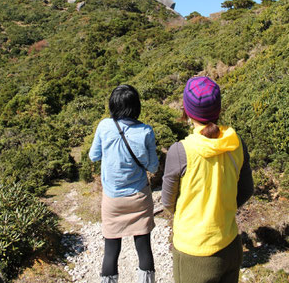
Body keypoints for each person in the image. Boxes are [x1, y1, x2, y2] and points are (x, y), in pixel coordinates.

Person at [162, 76, 254, 283]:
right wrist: (222, 209)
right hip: (230, 244)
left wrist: (194, 214)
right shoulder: (236, 143)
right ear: (219, 109)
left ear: (186, 110)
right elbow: (246, 190)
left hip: (195, 253)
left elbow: (168, 202)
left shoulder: (180, 151)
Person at [89, 84, 159, 283]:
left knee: (111, 251)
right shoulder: (146, 131)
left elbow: (93, 156)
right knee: (144, 248)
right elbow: (153, 167)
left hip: (113, 200)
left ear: (112, 105)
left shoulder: (104, 126)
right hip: (139, 197)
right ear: (136, 106)